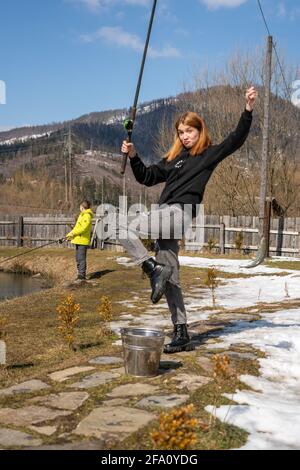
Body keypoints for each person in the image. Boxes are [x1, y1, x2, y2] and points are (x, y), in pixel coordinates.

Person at [109, 86, 257, 353]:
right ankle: (181, 331)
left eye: (190, 130)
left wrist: (247, 110)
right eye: (181, 132)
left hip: (178, 214)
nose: (185, 136)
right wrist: (132, 156)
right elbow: (146, 176)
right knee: (170, 278)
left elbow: (236, 139)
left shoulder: (208, 154)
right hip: (165, 217)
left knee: (119, 224)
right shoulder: (174, 159)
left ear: (200, 131)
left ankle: (150, 268)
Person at [65, 200, 94, 281]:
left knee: (81, 258)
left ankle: (82, 275)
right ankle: (79, 274)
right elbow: (76, 228)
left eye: (80, 206)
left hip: (83, 240)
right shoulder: (82, 215)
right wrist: (69, 236)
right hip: (78, 240)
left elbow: (83, 228)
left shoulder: (87, 216)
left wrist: (72, 234)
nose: (79, 208)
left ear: (82, 207)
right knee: (78, 258)